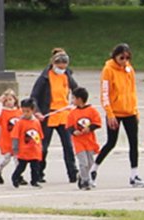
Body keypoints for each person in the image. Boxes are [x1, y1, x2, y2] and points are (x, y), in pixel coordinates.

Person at [29, 47, 82, 184]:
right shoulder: (45, 77)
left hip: (63, 114)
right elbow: (34, 97)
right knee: (44, 146)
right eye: (59, 63)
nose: (62, 66)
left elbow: (77, 90)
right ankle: (39, 172)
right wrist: (38, 112)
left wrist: (77, 102)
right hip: (48, 115)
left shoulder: (67, 75)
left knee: (68, 146)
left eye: (64, 63)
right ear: (53, 63)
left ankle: (72, 173)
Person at [99, 43, 144, 187]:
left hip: (129, 111)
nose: (124, 60)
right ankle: (93, 168)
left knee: (133, 143)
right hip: (115, 112)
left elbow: (132, 91)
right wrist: (110, 114)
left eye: (127, 57)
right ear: (115, 56)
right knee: (111, 142)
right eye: (121, 57)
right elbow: (105, 93)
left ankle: (134, 174)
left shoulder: (129, 69)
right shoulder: (108, 70)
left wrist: (135, 110)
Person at [68, 88, 102, 190]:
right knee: (83, 163)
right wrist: (74, 131)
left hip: (89, 141)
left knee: (90, 162)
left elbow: (97, 123)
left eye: (74, 98)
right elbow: (69, 126)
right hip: (79, 142)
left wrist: (90, 128)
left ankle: (84, 176)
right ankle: (85, 180)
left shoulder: (92, 111)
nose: (72, 100)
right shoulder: (73, 113)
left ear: (80, 99)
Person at [11, 99, 46, 188]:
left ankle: (34, 181)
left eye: (28, 111)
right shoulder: (20, 122)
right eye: (24, 111)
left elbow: (39, 135)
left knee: (35, 167)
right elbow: (15, 136)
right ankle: (15, 177)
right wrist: (15, 148)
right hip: (24, 150)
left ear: (33, 110)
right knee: (21, 166)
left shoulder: (36, 122)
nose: (25, 113)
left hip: (34, 150)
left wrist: (40, 147)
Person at [0, 90, 22, 184]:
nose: (8, 102)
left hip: (16, 140)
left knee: (17, 158)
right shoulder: (3, 112)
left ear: (15, 100)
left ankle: (18, 175)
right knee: (7, 158)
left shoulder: (19, 111)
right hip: (6, 139)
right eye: (6, 100)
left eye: (10, 99)